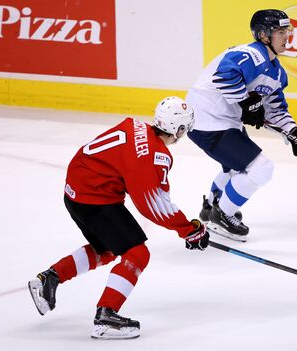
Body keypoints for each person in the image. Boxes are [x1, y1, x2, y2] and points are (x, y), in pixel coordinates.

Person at [28, 96, 209, 340]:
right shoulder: (155, 154)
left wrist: (186, 228)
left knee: (107, 249)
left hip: (76, 189)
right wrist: (189, 230)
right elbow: (154, 206)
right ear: (178, 129)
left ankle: (48, 279)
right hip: (94, 197)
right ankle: (106, 316)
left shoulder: (135, 126)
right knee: (138, 254)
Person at [186, 9, 297, 242]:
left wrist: (294, 132)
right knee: (261, 168)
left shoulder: (277, 73)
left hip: (223, 122)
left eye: (288, 30)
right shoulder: (250, 54)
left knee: (236, 167)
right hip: (209, 119)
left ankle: (211, 207)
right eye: (280, 31)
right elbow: (224, 76)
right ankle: (222, 214)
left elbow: (274, 110)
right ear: (264, 35)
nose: (287, 36)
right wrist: (247, 102)